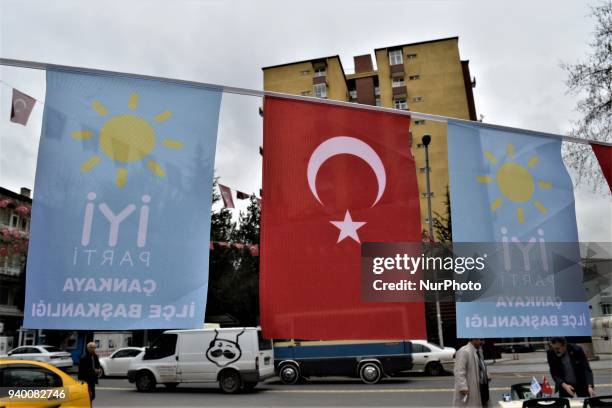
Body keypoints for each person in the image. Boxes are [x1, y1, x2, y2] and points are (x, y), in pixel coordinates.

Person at [453, 338, 490, 407]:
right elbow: (459, 371)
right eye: (481, 340)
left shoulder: (479, 351)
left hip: (482, 388)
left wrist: (486, 375)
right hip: (470, 388)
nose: (483, 342)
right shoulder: (464, 351)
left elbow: (481, 366)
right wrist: (463, 387)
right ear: (474, 339)